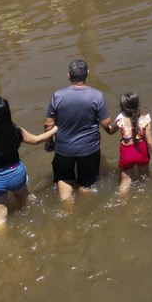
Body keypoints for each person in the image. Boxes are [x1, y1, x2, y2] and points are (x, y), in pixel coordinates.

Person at [0, 96, 57, 229]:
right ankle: (34, 223)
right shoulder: (16, 131)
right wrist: (55, 129)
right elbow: (37, 140)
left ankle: (2, 247)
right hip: (16, 173)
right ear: (7, 114)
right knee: (24, 199)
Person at [44, 59, 115, 202]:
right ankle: (85, 208)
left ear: (68, 76)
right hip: (89, 148)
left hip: (64, 148)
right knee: (87, 185)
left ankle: (68, 209)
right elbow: (105, 122)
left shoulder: (57, 96)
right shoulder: (97, 95)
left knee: (64, 179)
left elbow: (48, 125)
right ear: (87, 73)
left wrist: (49, 142)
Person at [114, 92, 152, 192]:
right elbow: (150, 141)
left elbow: (111, 131)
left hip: (126, 153)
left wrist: (106, 126)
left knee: (124, 184)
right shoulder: (145, 120)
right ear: (137, 104)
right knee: (145, 177)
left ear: (122, 106)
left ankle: (123, 202)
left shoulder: (120, 119)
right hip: (141, 152)